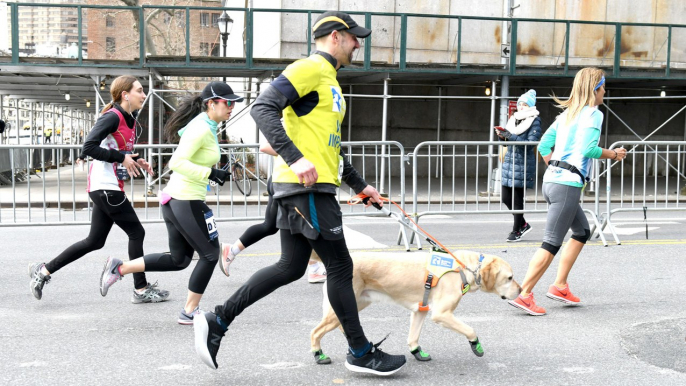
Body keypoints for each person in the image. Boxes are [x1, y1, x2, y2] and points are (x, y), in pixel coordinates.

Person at [194, 11, 407, 376]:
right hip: (305, 188)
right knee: (340, 265)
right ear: (336, 37)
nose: (359, 44)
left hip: (312, 186)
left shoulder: (331, 82)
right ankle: (359, 352)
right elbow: (263, 108)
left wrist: (359, 185)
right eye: (355, 37)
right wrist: (295, 158)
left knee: (292, 266)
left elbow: (331, 147)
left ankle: (218, 319)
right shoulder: (309, 68)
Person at [99, 82, 243, 325]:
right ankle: (189, 311)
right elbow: (176, 163)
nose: (232, 107)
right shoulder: (200, 129)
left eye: (233, 102)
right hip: (185, 199)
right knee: (210, 255)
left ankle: (119, 268)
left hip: (177, 199)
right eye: (227, 102)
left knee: (180, 260)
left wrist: (211, 172)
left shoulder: (206, 125)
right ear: (211, 104)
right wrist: (210, 173)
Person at [28, 75, 169, 304]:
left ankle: (42, 271)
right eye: (140, 90)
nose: (144, 95)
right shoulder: (111, 117)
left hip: (107, 187)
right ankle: (140, 289)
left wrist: (136, 160)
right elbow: (89, 147)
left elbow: (118, 149)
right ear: (125, 95)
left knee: (94, 241)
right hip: (106, 187)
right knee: (137, 233)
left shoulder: (129, 118)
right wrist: (121, 158)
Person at [508, 68, 627, 316]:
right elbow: (589, 149)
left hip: (552, 183)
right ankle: (525, 294)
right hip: (567, 186)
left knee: (582, 231)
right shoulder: (594, 114)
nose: (605, 91)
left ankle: (560, 285)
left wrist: (555, 166)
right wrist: (614, 155)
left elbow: (543, 145)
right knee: (551, 243)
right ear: (596, 88)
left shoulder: (567, 115)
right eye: (604, 87)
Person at [218, 143, 328, 284]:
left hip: (284, 180)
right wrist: (297, 157)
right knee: (304, 224)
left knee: (272, 226)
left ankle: (231, 250)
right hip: (287, 182)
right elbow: (265, 146)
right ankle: (314, 268)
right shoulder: (290, 123)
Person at [495, 89, 542, 242]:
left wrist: (510, 136)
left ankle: (516, 230)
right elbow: (507, 143)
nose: (521, 106)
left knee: (516, 200)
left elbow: (530, 144)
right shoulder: (514, 119)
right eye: (520, 103)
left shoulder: (534, 120)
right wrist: (502, 137)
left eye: (525, 104)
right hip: (510, 162)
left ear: (530, 106)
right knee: (505, 197)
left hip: (523, 164)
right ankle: (523, 224)